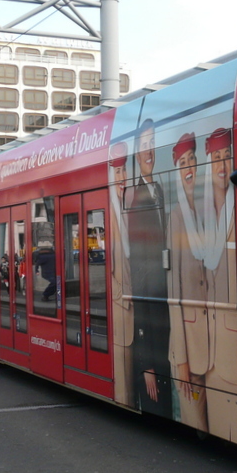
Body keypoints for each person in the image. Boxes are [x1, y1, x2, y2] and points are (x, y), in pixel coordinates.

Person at [126, 119, 172, 417]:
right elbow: (141, 280)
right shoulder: (137, 200)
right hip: (152, 330)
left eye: (153, 143)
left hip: (164, 326)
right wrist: (147, 364)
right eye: (144, 145)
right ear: (136, 153)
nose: (150, 150)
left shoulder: (158, 190)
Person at [167, 132, 210, 431]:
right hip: (190, 351)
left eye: (192, 158)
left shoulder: (209, 212)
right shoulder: (176, 217)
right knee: (198, 425)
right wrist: (180, 359)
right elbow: (173, 293)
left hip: (215, 349)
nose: (189, 165)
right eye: (183, 162)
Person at [202, 128, 237, 442]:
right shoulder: (195, 215)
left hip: (231, 346)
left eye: (226, 156)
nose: (222, 164)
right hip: (206, 350)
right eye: (216, 157)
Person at [109, 142, 135, 407]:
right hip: (121, 308)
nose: (121, 177)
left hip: (136, 306)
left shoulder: (131, 204)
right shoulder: (109, 209)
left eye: (124, 170)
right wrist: (122, 295)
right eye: (116, 171)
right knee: (124, 387)